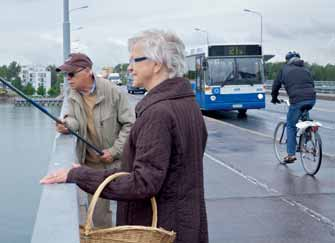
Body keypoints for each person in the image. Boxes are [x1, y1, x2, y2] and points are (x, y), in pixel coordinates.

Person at [41, 30, 209, 243]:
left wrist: (79, 176)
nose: (130, 67)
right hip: (188, 226)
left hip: (161, 230)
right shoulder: (188, 104)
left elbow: (142, 183)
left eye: (134, 60)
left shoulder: (158, 114)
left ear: (157, 64)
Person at [55, 52, 135, 227]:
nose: (68, 79)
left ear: (88, 71)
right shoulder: (72, 94)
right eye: (66, 75)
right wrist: (66, 124)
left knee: (129, 210)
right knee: (98, 216)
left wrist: (114, 152)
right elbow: (73, 119)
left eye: (71, 74)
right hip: (92, 165)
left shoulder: (113, 91)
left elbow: (130, 125)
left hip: (119, 163)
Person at [271, 51, 316, 163]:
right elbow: (312, 84)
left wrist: (274, 97)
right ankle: (308, 136)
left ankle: (291, 155)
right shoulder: (306, 69)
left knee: (291, 125)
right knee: (305, 115)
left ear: (287, 60)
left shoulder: (284, 69)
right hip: (311, 99)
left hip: (297, 100)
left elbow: (276, 85)